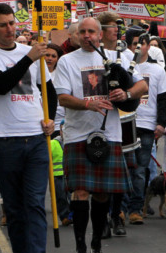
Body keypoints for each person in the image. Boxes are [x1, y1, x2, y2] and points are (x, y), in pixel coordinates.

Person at [52, 17, 147, 253]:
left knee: (103, 193)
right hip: (77, 136)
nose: (87, 36)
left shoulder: (117, 57)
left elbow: (142, 86)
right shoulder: (66, 61)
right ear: (75, 35)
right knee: (81, 191)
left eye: (91, 31)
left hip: (110, 135)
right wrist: (88, 105)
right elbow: (62, 97)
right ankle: (80, 244)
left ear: (100, 33)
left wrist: (125, 94)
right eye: (82, 32)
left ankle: (96, 241)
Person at [0, 3, 57, 253]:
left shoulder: (30, 51)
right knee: (14, 207)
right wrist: (28, 58)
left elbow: (49, 91)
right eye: (3, 25)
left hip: (36, 138)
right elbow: (0, 84)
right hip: (5, 140)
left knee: (34, 204)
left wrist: (50, 118)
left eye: (12, 23)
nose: (10, 29)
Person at [125, 32, 166, 224]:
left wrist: (161, 124)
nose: (136, 48)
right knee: (124, 167)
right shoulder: (123, 65)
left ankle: (136, 208)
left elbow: (163, 99)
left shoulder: (158, 70)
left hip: (146, 125)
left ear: (147, 46)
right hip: (126, 122)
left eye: (139, 44)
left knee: (140, 168)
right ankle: (120, 207)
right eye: (133, 44)